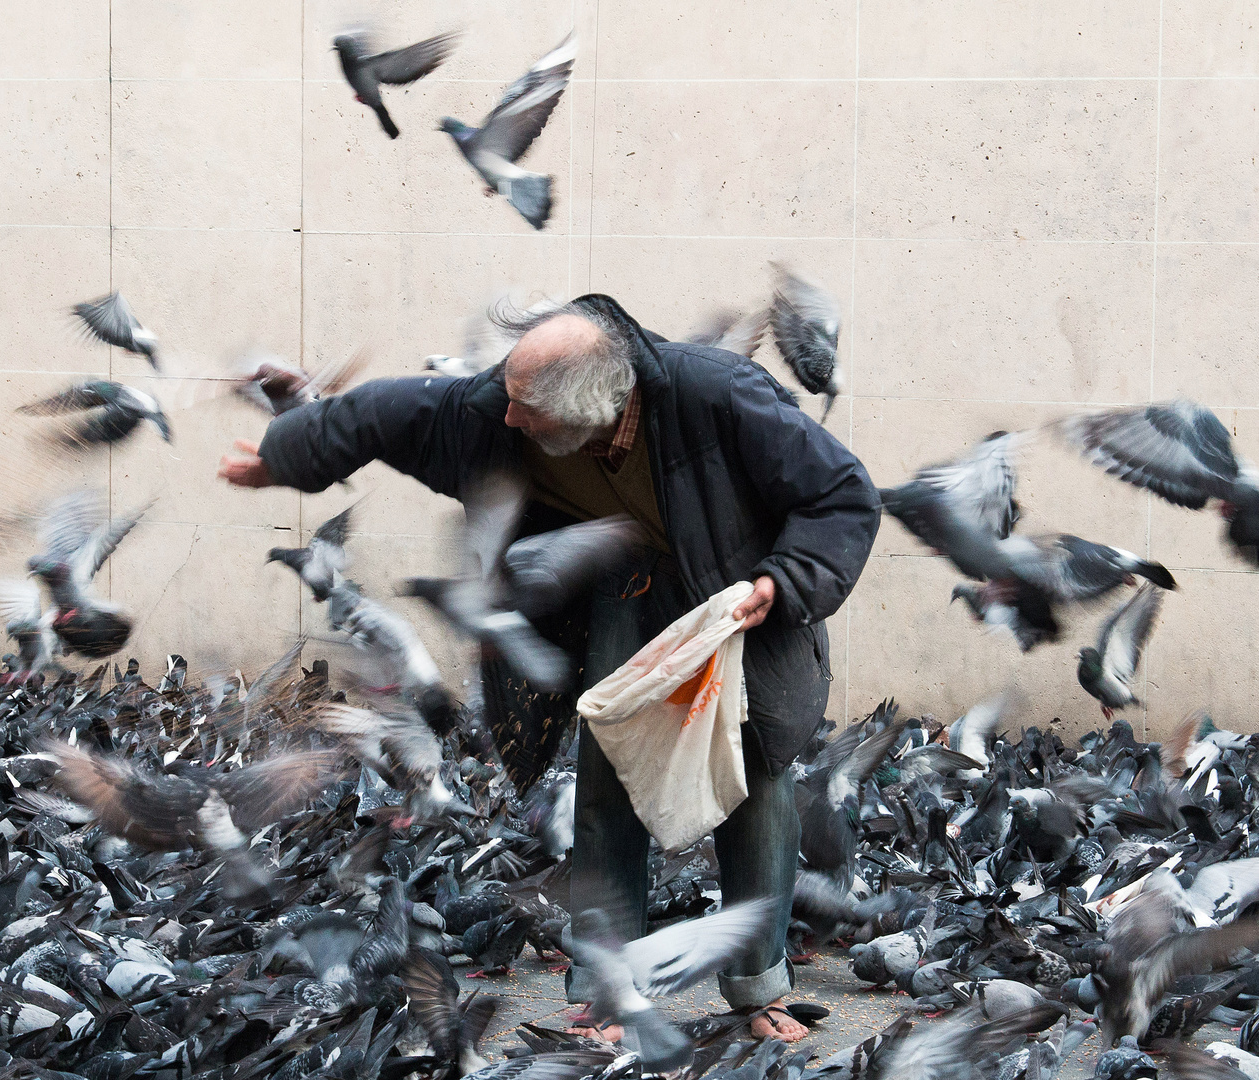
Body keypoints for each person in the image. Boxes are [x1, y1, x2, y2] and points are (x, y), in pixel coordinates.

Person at [219, 294, 880, 1040]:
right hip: (622, 597)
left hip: (737, 609)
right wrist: (285, 455)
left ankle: (759, 991)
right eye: (510, 394)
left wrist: (784, 582)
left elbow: (841, 495)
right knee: (608, 794)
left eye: (527, 405)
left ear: (589, 406)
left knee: (755, 791)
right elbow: (383, 412)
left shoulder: (718, 395)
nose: (508, 416)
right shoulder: (498, 408)